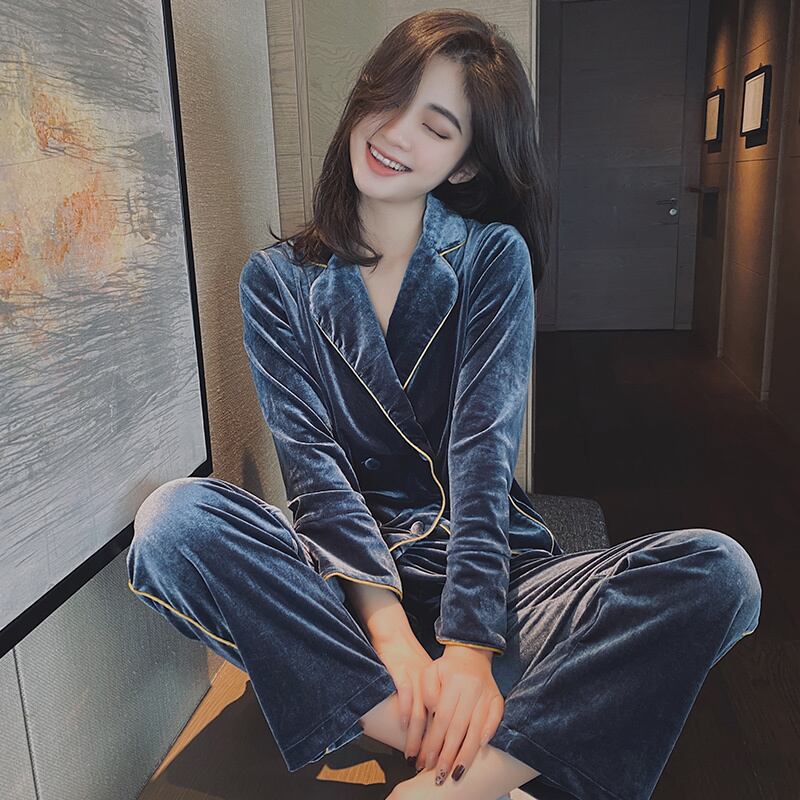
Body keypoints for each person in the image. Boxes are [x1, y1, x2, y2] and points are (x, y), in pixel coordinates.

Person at [126, 10, 762, 800]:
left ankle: (459, 783)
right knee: (173, 523)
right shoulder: (277, 281)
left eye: (435, 127)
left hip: (496, 589)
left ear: (465, 164)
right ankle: (425, 729)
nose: (395, 133)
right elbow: (317, 477)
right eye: (389, 99)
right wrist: (393, 637)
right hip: (352, 597)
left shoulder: (491, 257)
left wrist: (468, 649)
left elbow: (482, 461)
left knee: (718, 573)